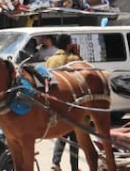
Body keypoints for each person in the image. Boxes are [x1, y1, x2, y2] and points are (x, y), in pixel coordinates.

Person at [46, 36, 80, 171]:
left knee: (62, 133)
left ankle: (56, 162)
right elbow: (82, 75)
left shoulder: (50, 60)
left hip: (55, 101)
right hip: (72, 102)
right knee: (75, 135)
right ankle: (74, 167)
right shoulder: (74, 60)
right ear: (68, 46)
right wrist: (77, 54)